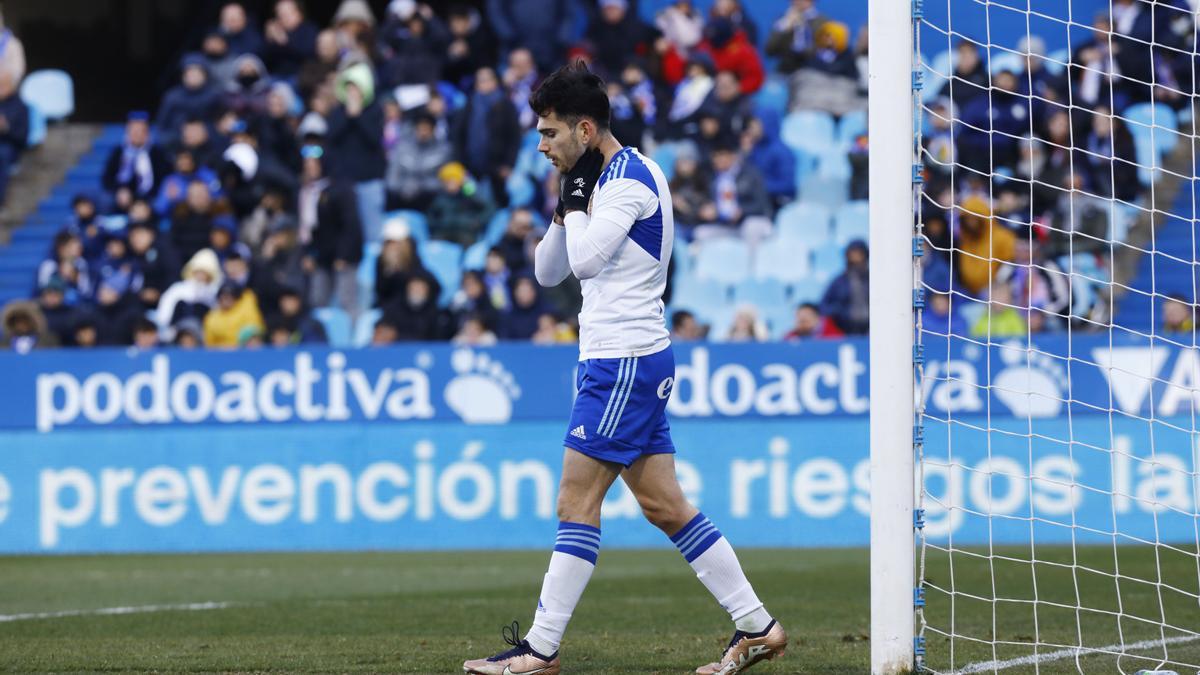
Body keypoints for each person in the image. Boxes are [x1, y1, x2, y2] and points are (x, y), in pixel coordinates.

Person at [463, 62, 785, 675]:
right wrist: (567, 203)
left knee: (574, 502)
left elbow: (584, 262)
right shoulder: (592, 180)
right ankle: (757, 627)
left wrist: (578, 200)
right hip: (625, 360)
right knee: (666, 506)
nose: (541, 145)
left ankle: (540, 648)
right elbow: (548, 271)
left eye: (550, 133)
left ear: (585, 129)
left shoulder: (631, 178)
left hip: (623, 362)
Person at [299, 144, 363, 317]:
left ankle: (350, 341)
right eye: (307, 164)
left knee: (346, 301)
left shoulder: (341, 190)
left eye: (314, 164)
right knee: (317, 300)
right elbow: (308, 228)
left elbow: (351, 225)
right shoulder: (308, 191)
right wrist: (308, 253)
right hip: (321, 256)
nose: (309, 168)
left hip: (343, 256)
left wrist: (344, 255)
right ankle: (320, 340)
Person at [103, 111, 171, 211]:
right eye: (134, 131)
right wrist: (119, 190)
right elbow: (107, 178)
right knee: (106, 200)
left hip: (151, 194)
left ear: (147, 133)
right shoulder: (118, 152)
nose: (138, 135)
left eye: (141, 131)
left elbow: (166, 175)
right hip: (123, 194)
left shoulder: (156, 152)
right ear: (128, 132)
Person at [819, 239, 870, 335]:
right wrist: (838, 311)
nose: (855, 256)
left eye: (859, 253)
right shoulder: (839, 281)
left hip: (871, 330)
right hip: (844, 331)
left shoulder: (873, 279)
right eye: (852, 253)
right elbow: (823, 306)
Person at [0, 71, 28, 208]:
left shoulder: (20, 107)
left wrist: (6, 128)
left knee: (3, 154)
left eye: (2, 86)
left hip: (10, 145)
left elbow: (22, 136)